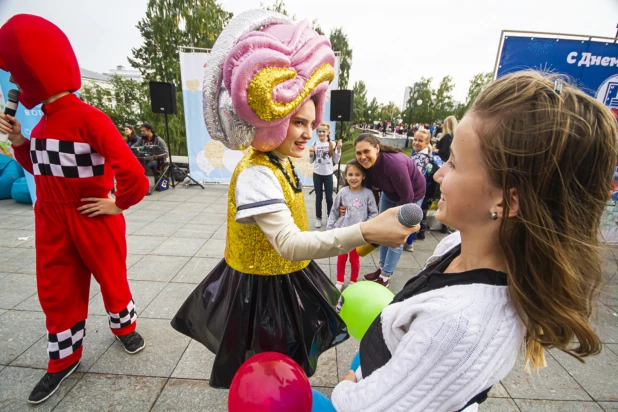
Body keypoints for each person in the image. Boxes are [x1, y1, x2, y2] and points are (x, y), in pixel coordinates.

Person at [330, 71, 617, 412]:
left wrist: (345, 389)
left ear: (506, 202)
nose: (438, 175)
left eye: (454, 164)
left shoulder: (458, 329)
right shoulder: (453, 246)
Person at [170, 11, 415, 390]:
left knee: (286, 367)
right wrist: (366, 229)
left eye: (311, 120)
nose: (307, 131)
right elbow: (288, 244)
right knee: (269, 373)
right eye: (297, 122)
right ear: (271, 117)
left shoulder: (279, 161)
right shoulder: (256, 173)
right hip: (262, 293)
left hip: (286, 281)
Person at [0, 15, 150, 404]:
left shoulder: (91, 119)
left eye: (17, 73)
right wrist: (19, 140)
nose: (14, 84)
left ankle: (124, 326)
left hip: (90, 215)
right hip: (51, 217)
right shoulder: (43, 126)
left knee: (111, 276)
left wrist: (116, 204)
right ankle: (62, 359)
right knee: (55, 289)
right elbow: (39, 168)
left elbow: (135, 175)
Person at [354, 134, 426, 287]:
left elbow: (407, 195)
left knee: (395, 235)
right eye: (359, 153)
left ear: (377, 148)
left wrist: (396, 221)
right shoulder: (366, 166)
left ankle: (386, 276)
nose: (362, 156)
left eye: (366, 151)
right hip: (390, 192)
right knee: (382, 231)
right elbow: (364, 193)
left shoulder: (394, 164)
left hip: (412, 194)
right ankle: (381, 268)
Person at [327, 160, 378, 291]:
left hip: (358, 234)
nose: (353, 178)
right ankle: (339, 280)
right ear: (345, 176)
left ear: (363, 176)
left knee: (355, 260)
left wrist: (366, 227)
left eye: (357, 174)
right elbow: (334, 210)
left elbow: (374, 213)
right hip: (342, 232)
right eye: (350, 175)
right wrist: (330, 228)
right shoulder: (342, 192)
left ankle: (353, 281)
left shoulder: (368, 194)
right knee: (341, 258)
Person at [404, 129, 441, 251]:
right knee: (414, 215)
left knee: (411, 216)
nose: (416, 142)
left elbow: (414, 176)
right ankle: (410, 240)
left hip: (415, 192)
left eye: (420, 140)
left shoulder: (420, 157)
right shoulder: (425, 154)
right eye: (415, 139)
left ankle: (408, 242)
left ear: (427, 143)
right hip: (421, 191)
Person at [309, 121, 342, 228]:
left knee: (329, 198)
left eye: (323, 131)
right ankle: (318, 218)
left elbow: (336, 160)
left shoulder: (331, 144)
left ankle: (330, 218)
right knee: (318, 197)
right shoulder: (315, 144)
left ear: (328, 132)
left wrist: (339, 150)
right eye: (319, 132)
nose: (321, 134)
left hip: (328, 175)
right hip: (317, 175)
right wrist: (310, 154)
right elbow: (311, 161)